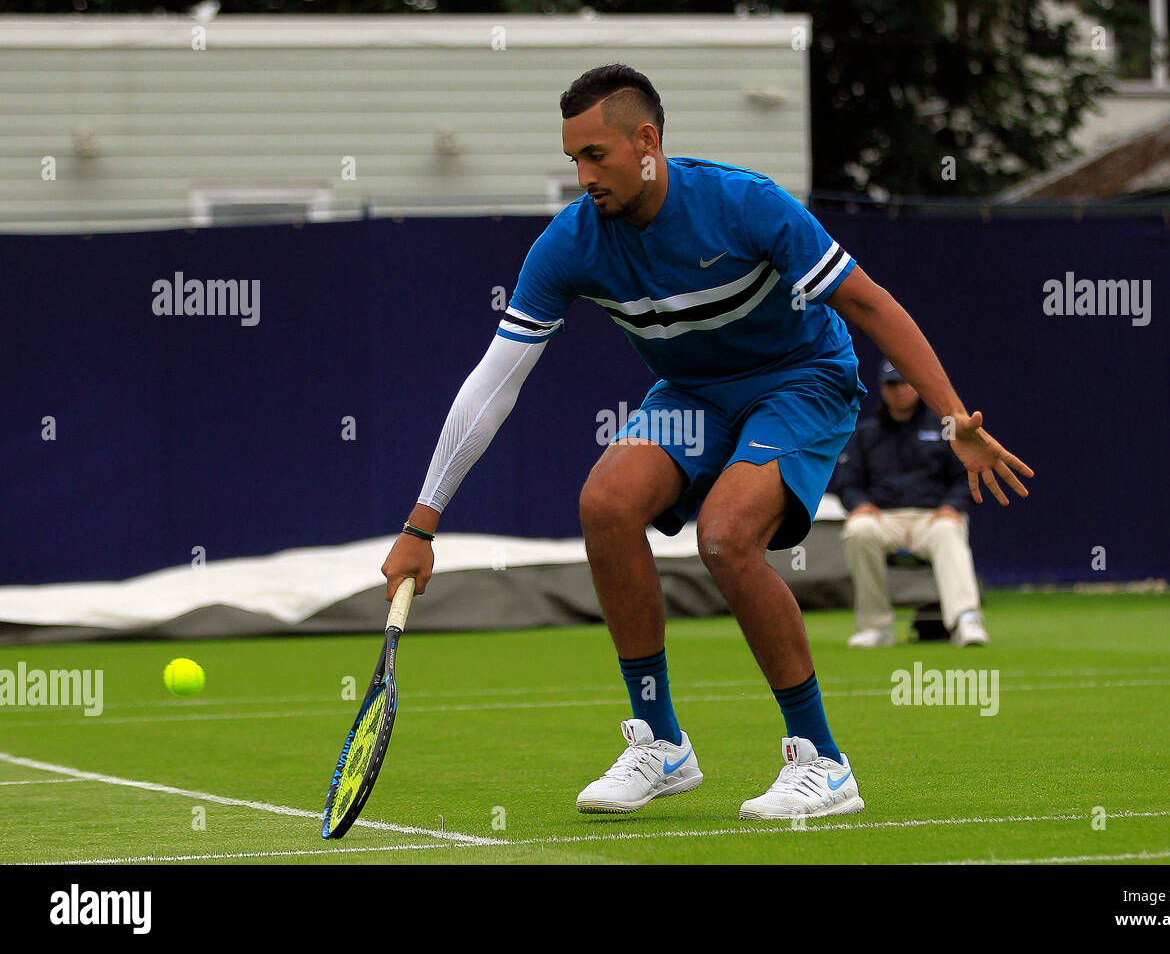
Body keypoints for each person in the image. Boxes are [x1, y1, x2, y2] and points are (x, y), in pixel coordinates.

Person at [380, 64, 1033, 820]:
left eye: (598, 155)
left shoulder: (744, 204)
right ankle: (660, 743)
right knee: (607, 504)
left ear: (647, 141)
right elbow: (493, 382)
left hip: (802, 379)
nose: (584, 176)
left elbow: (869, 304)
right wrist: (420, 523)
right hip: (691, 395)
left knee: (726, 536)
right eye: (573, 161)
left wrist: (954, 419)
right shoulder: (570, 244)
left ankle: (823, 763)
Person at [836, 360, 990, 648]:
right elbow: (847, 482)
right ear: (882, 389)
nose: (899, 391)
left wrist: (952, 506)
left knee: (948, 529)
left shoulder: (945, 430)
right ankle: (875, 626)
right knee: (858, 530)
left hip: (932, 518)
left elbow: (963, 479)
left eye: (904, 383)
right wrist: (858, 504)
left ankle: (966, 619)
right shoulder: (866, 434)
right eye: (891, 385)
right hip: (884, 518)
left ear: (916, 387)